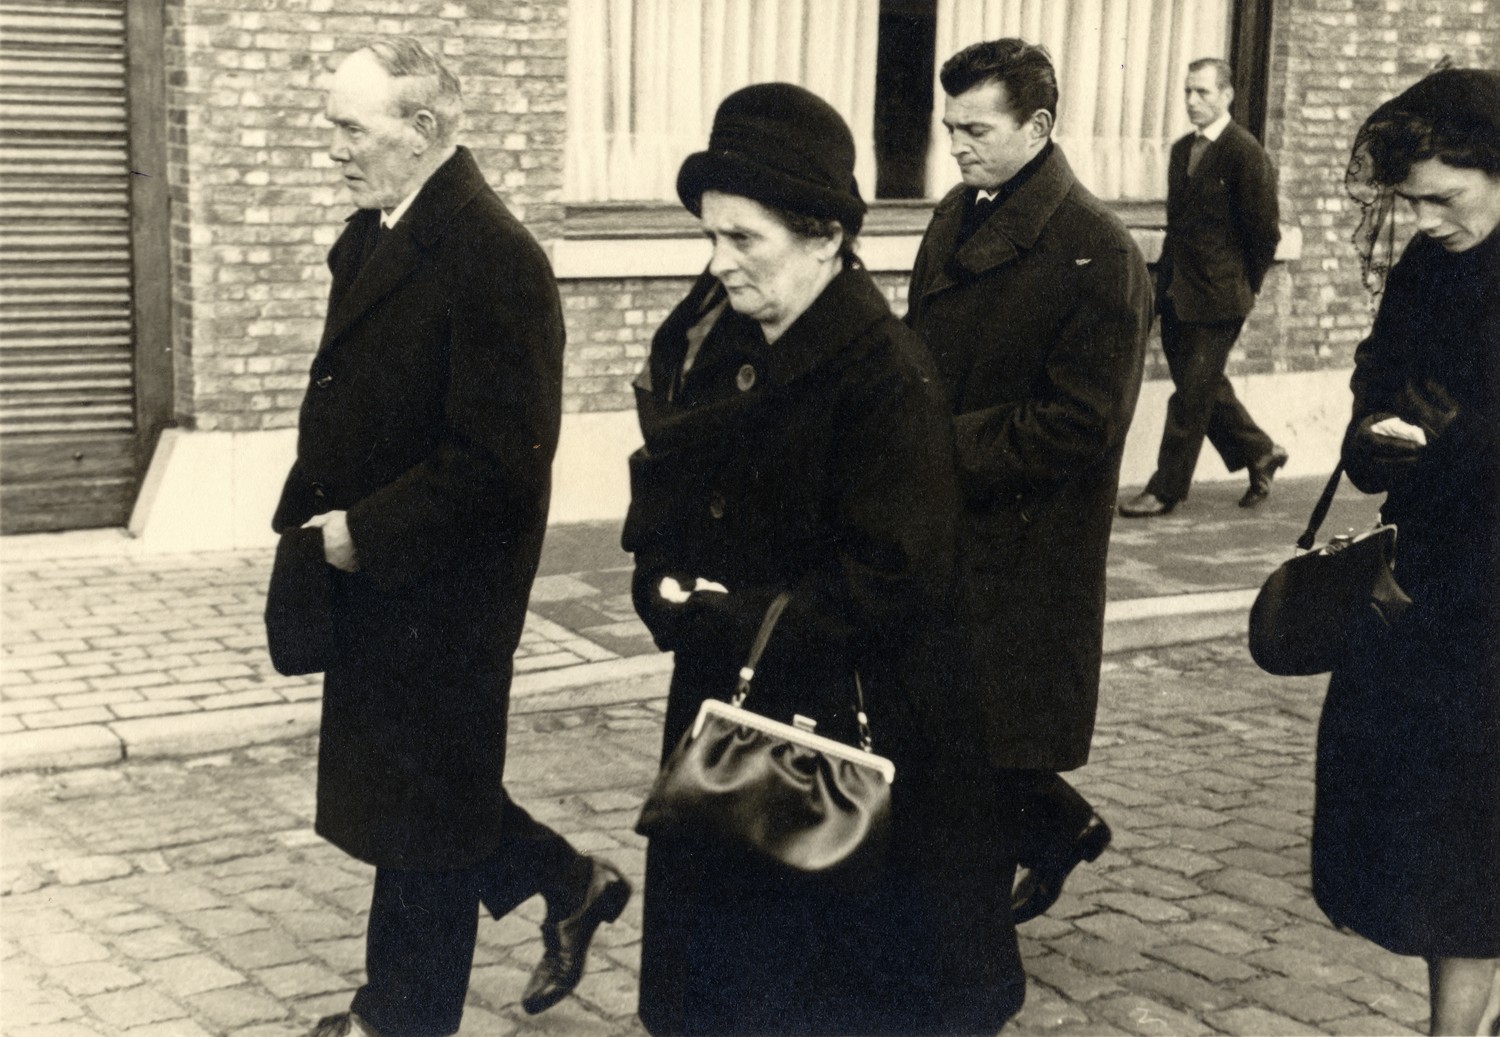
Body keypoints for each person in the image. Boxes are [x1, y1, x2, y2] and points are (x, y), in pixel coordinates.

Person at [625, 82, 1023, 1035]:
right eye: (710, 236)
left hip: (846, 736)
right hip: (732, 721)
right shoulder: (720, 342)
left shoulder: (887, 375)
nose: (718, 262)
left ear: (825, 237)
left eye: (743, 238)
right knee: (725, 984)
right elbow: (671, 483)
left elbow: (894, 575)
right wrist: (659, 571)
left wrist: (730, 615)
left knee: (824, 987)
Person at [269, 38, 629, 1037]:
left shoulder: (495, 258)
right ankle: (571, 881)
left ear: (421, 127)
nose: (333, 149)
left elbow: (501, 462)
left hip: (447, 589)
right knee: (415, 791)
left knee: (423, 815)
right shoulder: (376, 232)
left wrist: (364, 532)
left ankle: (399, 1018)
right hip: (378, 572)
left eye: (351, 129)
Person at [904, 39, 1150, 930]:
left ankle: (970, 936)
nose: (956, 145)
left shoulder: (1098, 252)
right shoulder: (956, 212)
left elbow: (1082, 423)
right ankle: (1051, 830)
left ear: (1038, 127)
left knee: (984, 731)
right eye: (949, 127)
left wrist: (935, 447)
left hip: (1025, 544)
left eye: (977, 129)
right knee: (940, 721)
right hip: (945, 521)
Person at [1311, 66, 1500, 1037]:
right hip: (1437, 593)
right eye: (1412, 200)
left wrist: (1463, 440)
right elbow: (1377, 373)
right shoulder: (1428, 266)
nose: (1425, 218)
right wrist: (1374, 434)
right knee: (1450, 846)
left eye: (1443, 197)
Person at [1120, 57, 1287, 518]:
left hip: (1221, 297)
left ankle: (1165, 489)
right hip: (1179, 292)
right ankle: (1260, 451)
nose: (1192, 101)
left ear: (1227, 95)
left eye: (1203, 92)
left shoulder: (1244, 152)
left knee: (1190, 397)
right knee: (1202, 386)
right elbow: (1180, 227)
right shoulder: (1181, 150)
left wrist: (1247, 287)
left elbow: (1264, 233)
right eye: (1188, 92)